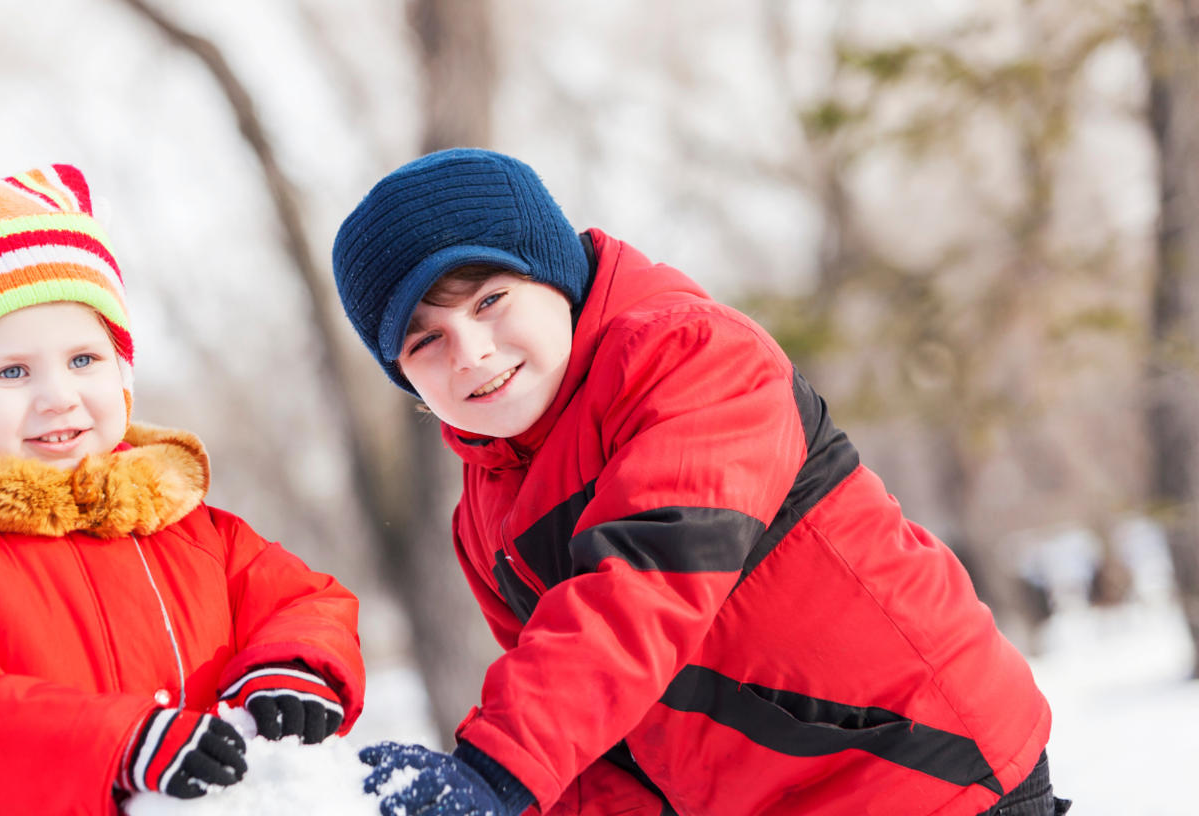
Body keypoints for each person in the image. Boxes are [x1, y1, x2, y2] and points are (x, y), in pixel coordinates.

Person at [330, 148, 1068, 816]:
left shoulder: (688, 354)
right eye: (425, 340)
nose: (470, 352)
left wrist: (499, 766)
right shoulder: (484, 513)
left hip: (925, 770)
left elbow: (647, 582)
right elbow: (601, 740)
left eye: (489, 300)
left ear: (553, 275)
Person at [0, 164, 365, 815]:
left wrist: (293, 668)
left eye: (84, 360)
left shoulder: (187, 529)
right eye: (13, 371)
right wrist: (120, 746)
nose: (58, 397)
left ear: (122, 373)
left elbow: (302, 601)